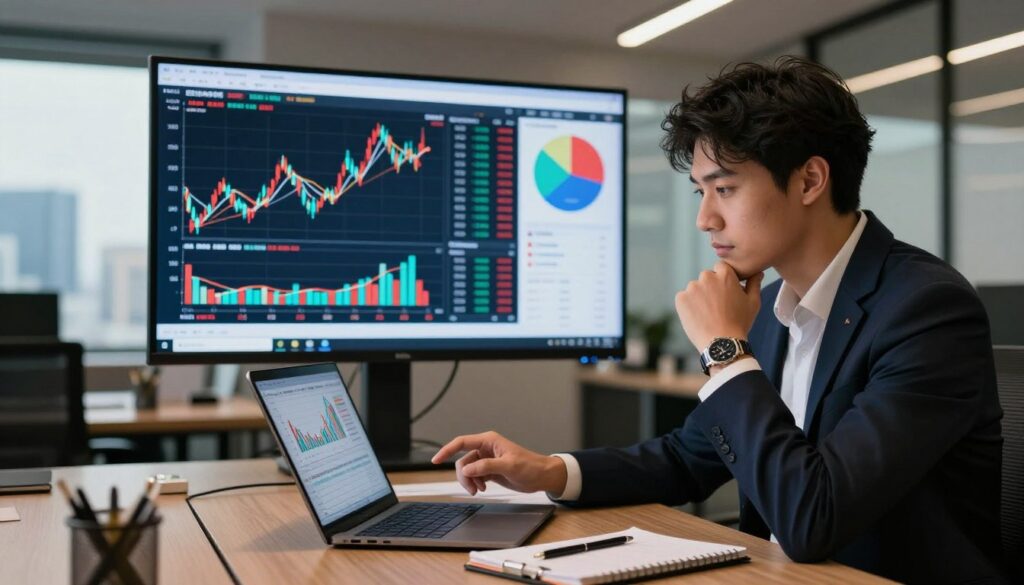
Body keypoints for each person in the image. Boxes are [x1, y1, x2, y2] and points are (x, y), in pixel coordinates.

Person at [432, 57, 1006, 584]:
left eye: (725, 189)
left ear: (809, 180)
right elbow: (691, 457)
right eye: (701, 192)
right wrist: (550, 471)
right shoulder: (775, 307)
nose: (706, 218)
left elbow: (815, 518)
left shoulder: (925, 310)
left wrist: (726, 350)